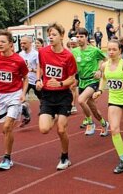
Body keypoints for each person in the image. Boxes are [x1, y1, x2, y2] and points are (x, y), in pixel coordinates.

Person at [93, 40, 123, 174]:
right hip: (114, 100)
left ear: (120, 51)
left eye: (114, 49)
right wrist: (100, 91)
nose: (111, 52)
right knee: (114, 129)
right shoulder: (104, 65)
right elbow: (103, 78)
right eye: (109, 49)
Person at [36, 23, 77, 170]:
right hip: (47, 95)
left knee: (61, 130)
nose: (50, 37)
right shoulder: (43, 52)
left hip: (63, 96)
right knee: (44, 129)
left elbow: (72, 79)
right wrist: (39, 80)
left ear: (61, 36)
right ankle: (53, 116)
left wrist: (60, 84)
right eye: (49, 35)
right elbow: (40, 67)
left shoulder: (68, 56)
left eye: (54, 35)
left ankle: (65, 157)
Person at [0, 29, 29, 170]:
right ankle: (9, 157)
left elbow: (26, 78)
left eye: (3, 42)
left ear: (10, 44)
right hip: (1, 96)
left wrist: (23, 93)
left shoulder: (18, 60)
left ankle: (6, 157)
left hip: (15, 95)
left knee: (7, 126)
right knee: (6, 130)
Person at [72, 28, 109, 136]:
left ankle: (90, 122)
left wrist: (100, 70)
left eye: (81, 37)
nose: (79, 39)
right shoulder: (74, 51)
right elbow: (73, 67)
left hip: (93, 81)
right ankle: (104, 123)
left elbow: (106, 60)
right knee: (94, 109)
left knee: (81, 100)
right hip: (82, 82)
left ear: (86, 37)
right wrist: (74, 78)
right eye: (77, 37)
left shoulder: (94, 50)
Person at [19, 35, 41, 127]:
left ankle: (47, 112)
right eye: (21, 43)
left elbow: (40, 68)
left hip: (35, 80)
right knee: (20, 99)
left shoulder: (36, 54)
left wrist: (33, 71)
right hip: (25, 80)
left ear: (30, 43)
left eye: (24, 43)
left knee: (42, 99)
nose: (22, 45)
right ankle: (26, 115)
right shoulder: (20, 54)